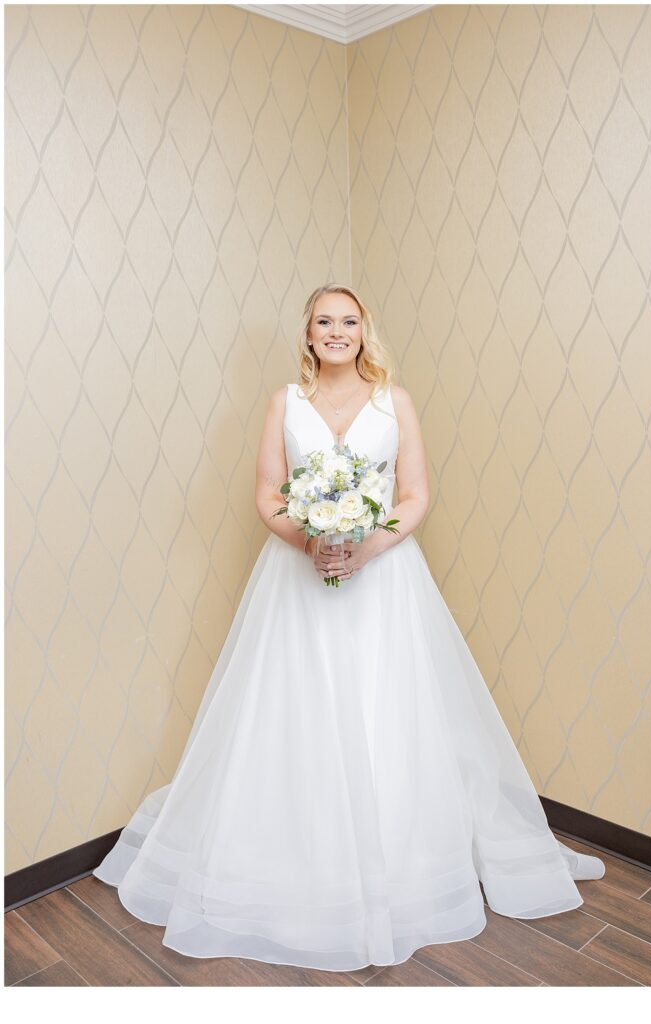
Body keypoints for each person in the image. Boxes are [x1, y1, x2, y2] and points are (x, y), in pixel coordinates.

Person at [93, 283, 605, 973]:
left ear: (365, 331)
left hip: (385, 577)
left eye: (348, 322)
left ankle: (403, 858)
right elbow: (268, 493)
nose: (336, 332)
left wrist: (366, 544)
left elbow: (416, 494)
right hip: (295, 581)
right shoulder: (285, 402)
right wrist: (310, 541)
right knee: (291, 711)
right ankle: (301, 854)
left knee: (388, 708)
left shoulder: (396, 402)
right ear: (307, 336)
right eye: (323, 322)